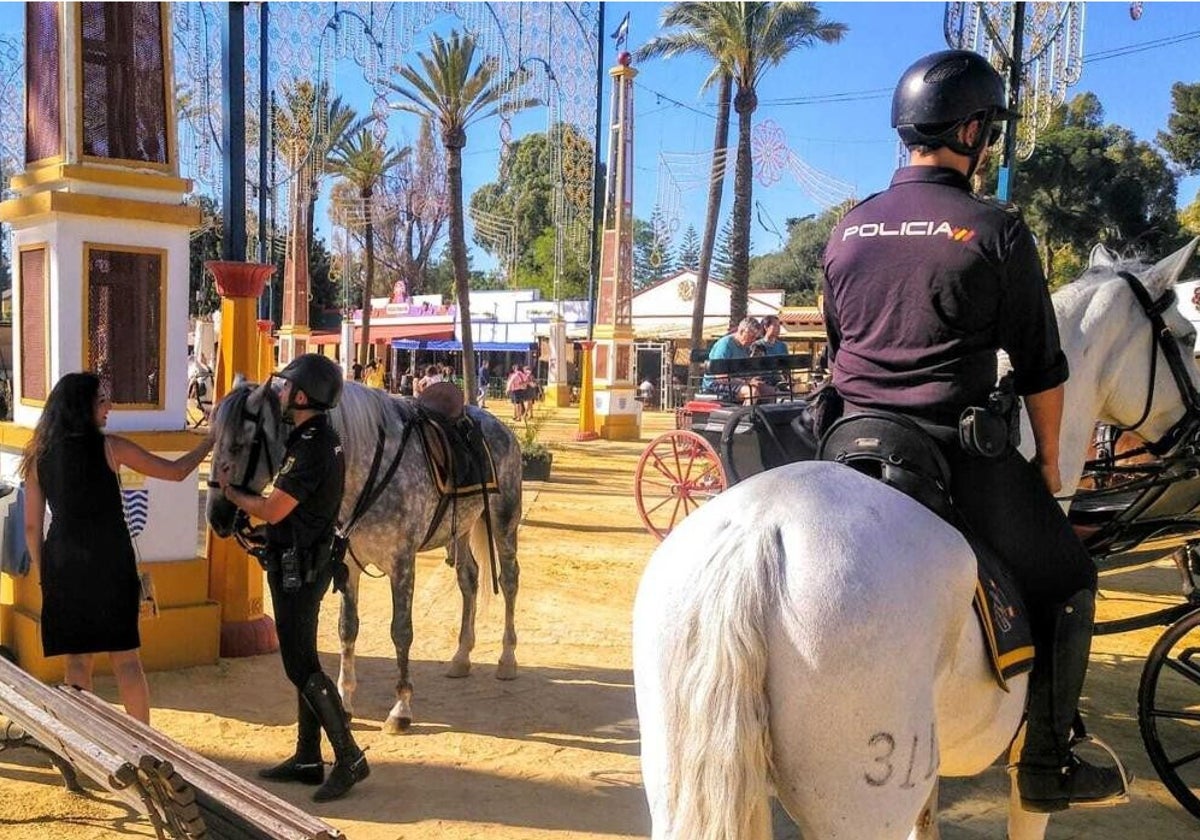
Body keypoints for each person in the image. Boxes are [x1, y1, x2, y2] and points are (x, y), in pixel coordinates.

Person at [821, 49, 1123, 813]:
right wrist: (1051, 467)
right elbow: (1041, 367)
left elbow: (836, 346)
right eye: (986, 128)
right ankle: (1047, 764)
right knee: (1069, 581)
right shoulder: (995, 229)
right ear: (971, 130)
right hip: (948, 454)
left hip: (844, 445)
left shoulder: (848, 230)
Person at [216, 354, 368, 802]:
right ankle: (307, 757)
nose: (280, 394)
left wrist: (231, 492)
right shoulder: (319, 436)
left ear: (302, 397)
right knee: (305, 661)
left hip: (299, 568)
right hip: (304, 556)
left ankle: (350, 757)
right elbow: (294, 512)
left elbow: (274, 507)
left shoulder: (309, 446)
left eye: (286, 389)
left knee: (300, 666)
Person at [20, 372, 214, 724]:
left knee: (77, 662)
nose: (109, 407)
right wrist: (210, 441)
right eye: (102, 401)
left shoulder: (38, 456)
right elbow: (175, 472)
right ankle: (143, 745)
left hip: (62, 562)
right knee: (126, 660)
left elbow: (32, 525)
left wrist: (43, 573)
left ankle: (83, 744)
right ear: (83, 408)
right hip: (110, 559)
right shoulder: (111, 447)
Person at [701, 317, 774, 404]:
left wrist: (754, 379)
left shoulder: (746, 347)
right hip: (716, 384)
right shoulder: (725, 345)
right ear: (742, 331)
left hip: (736, 382)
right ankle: (746, 417)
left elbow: (744, 371)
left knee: (770, 391)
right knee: (752, 392)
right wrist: (747, 382)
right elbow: (721, 377)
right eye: (751, 337)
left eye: (755, 338)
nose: (753, 340)